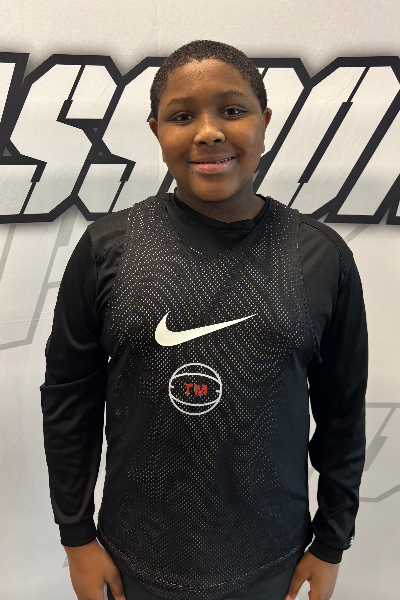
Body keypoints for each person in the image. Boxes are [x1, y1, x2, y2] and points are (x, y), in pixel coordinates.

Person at [41, 40, 368, 600]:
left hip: (272, 562)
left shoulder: (320, 256)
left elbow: (342, 413)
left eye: (232, 110)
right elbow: (70, 402)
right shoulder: (106, 249)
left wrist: (331, 543)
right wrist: (77, 538)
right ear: (156, 131)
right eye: (182, 116)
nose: (209, 132)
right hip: (132, 559)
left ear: (265, 122)